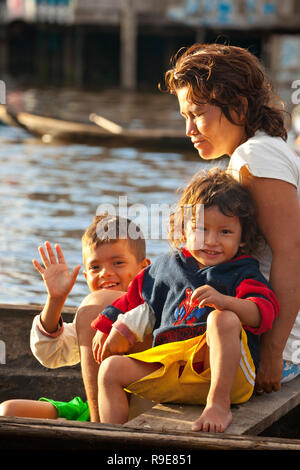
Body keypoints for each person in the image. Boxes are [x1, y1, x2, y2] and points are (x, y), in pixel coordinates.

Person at [92, 169, 280, 433]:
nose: (211, 241)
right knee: (110, 370)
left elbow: (263, 313)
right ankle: (113, 438)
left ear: (243, 236)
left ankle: (218, 404)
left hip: (224, 375)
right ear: (183, 229)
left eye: (225, 232)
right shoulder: (166, 268)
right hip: (173, 370)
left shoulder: (242, 271)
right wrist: (106, 325)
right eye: (201, 229)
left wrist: (225, 302)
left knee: (221, 318)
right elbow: (132, 298)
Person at [162, 43, 300, 393]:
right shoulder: (258, 150)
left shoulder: (257, 158)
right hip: (258, 330)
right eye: (185, 118)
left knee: (100, 326)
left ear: (237, 107)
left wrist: (273, 353)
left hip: (275, 349)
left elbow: (292, 251)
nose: (189, 129)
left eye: (197, 114)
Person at [0, 214, 150, 422]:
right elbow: (50, 354)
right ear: (86, 277)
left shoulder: (152, 310)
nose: (105, 273)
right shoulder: (92, 318)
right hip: (92, 408)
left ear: (143, 268)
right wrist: (56, 300)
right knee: (8, 411)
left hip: (143, 410)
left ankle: (103, 431)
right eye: (95, 267)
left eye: (118, 262)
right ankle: (95, 426)